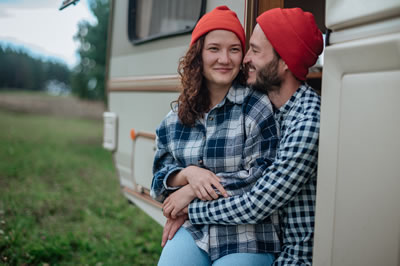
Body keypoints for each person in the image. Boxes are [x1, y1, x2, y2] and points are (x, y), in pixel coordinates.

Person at [162, 8, 323, 265]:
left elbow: (257, 202)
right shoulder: (272, 108)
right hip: (242, 235)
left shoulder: (308, 121)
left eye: (255, 51)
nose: (244, 58)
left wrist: (189, 206)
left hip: (293, 257)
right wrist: (190, 179)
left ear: (285, 63)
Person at [150, 6, 281, 266]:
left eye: (234, 49)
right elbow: (158, 183)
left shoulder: (257, 108)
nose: (225, 58)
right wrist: (188, 174)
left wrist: (189, 193)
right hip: (195, 231)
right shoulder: (175, 118)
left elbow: (259, 179)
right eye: (214, 49)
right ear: (198, 54)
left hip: (248, 233)